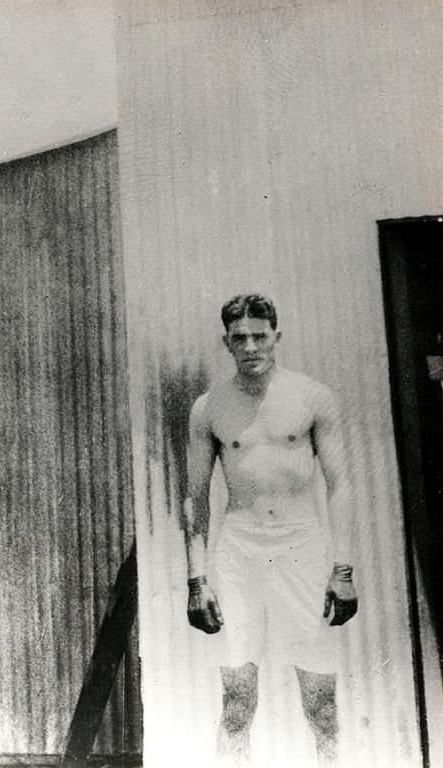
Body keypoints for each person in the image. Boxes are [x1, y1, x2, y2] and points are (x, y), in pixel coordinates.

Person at [184, 294, 358, 768]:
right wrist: (198, 581)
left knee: (321, 706)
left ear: (276, 337)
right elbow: (194, 499)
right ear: (227, 343)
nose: (251, 346)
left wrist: (342, 570)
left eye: (260, 336)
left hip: (302, 549)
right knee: (237, 706)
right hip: (238, 555)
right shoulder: (209, 408)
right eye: (239, 338)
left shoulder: (311, 397)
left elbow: (340, 485)